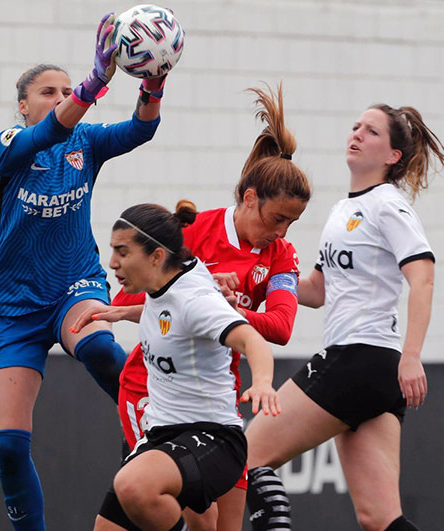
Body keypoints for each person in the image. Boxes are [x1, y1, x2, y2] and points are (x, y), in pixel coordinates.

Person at [74, 85, 311, 530]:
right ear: (249, 198)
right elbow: (149, 299)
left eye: (291, 223)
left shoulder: (275, 258)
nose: (281, 232)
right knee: (165, 505)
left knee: (219, 524)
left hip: (214, 400)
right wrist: (116, 310)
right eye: (277, 218)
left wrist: (221, 312)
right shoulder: (195, 233)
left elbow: (277, 327)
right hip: (153, 393)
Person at [241, 104, 444, 531]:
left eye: (371, 132)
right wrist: (253, 281)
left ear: (393, 156)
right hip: (370, 372)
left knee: (244, 456)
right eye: (355, 127)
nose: (356, 134)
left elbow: (422, 275)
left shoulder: (387, 205)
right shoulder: (341, 211)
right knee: (380, 519)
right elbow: (316, 291)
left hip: (360, 358)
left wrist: (412, 355)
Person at [0, 13, 169, 530]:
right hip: (14, 306)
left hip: (74, 286)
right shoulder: (8, 146)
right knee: (11, 450)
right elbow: (51, 128)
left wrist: (153, 80)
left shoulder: (85, 142)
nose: (61, 97)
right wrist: (93, 81)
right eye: (48, 91)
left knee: (103, 351)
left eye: (67, 89)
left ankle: (158, 433)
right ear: (23, 106)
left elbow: (141, 128)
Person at [87, 203, 281, 531]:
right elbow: (165, 314)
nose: (113, 263)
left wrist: (262, 381)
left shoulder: (194, 302)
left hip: (214, 437)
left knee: (134, 486)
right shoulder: (169, 279)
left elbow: (253, 340)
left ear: (157, 256)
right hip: (164, 433)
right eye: (112, 251)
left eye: (122, 252)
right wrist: (123, 313)